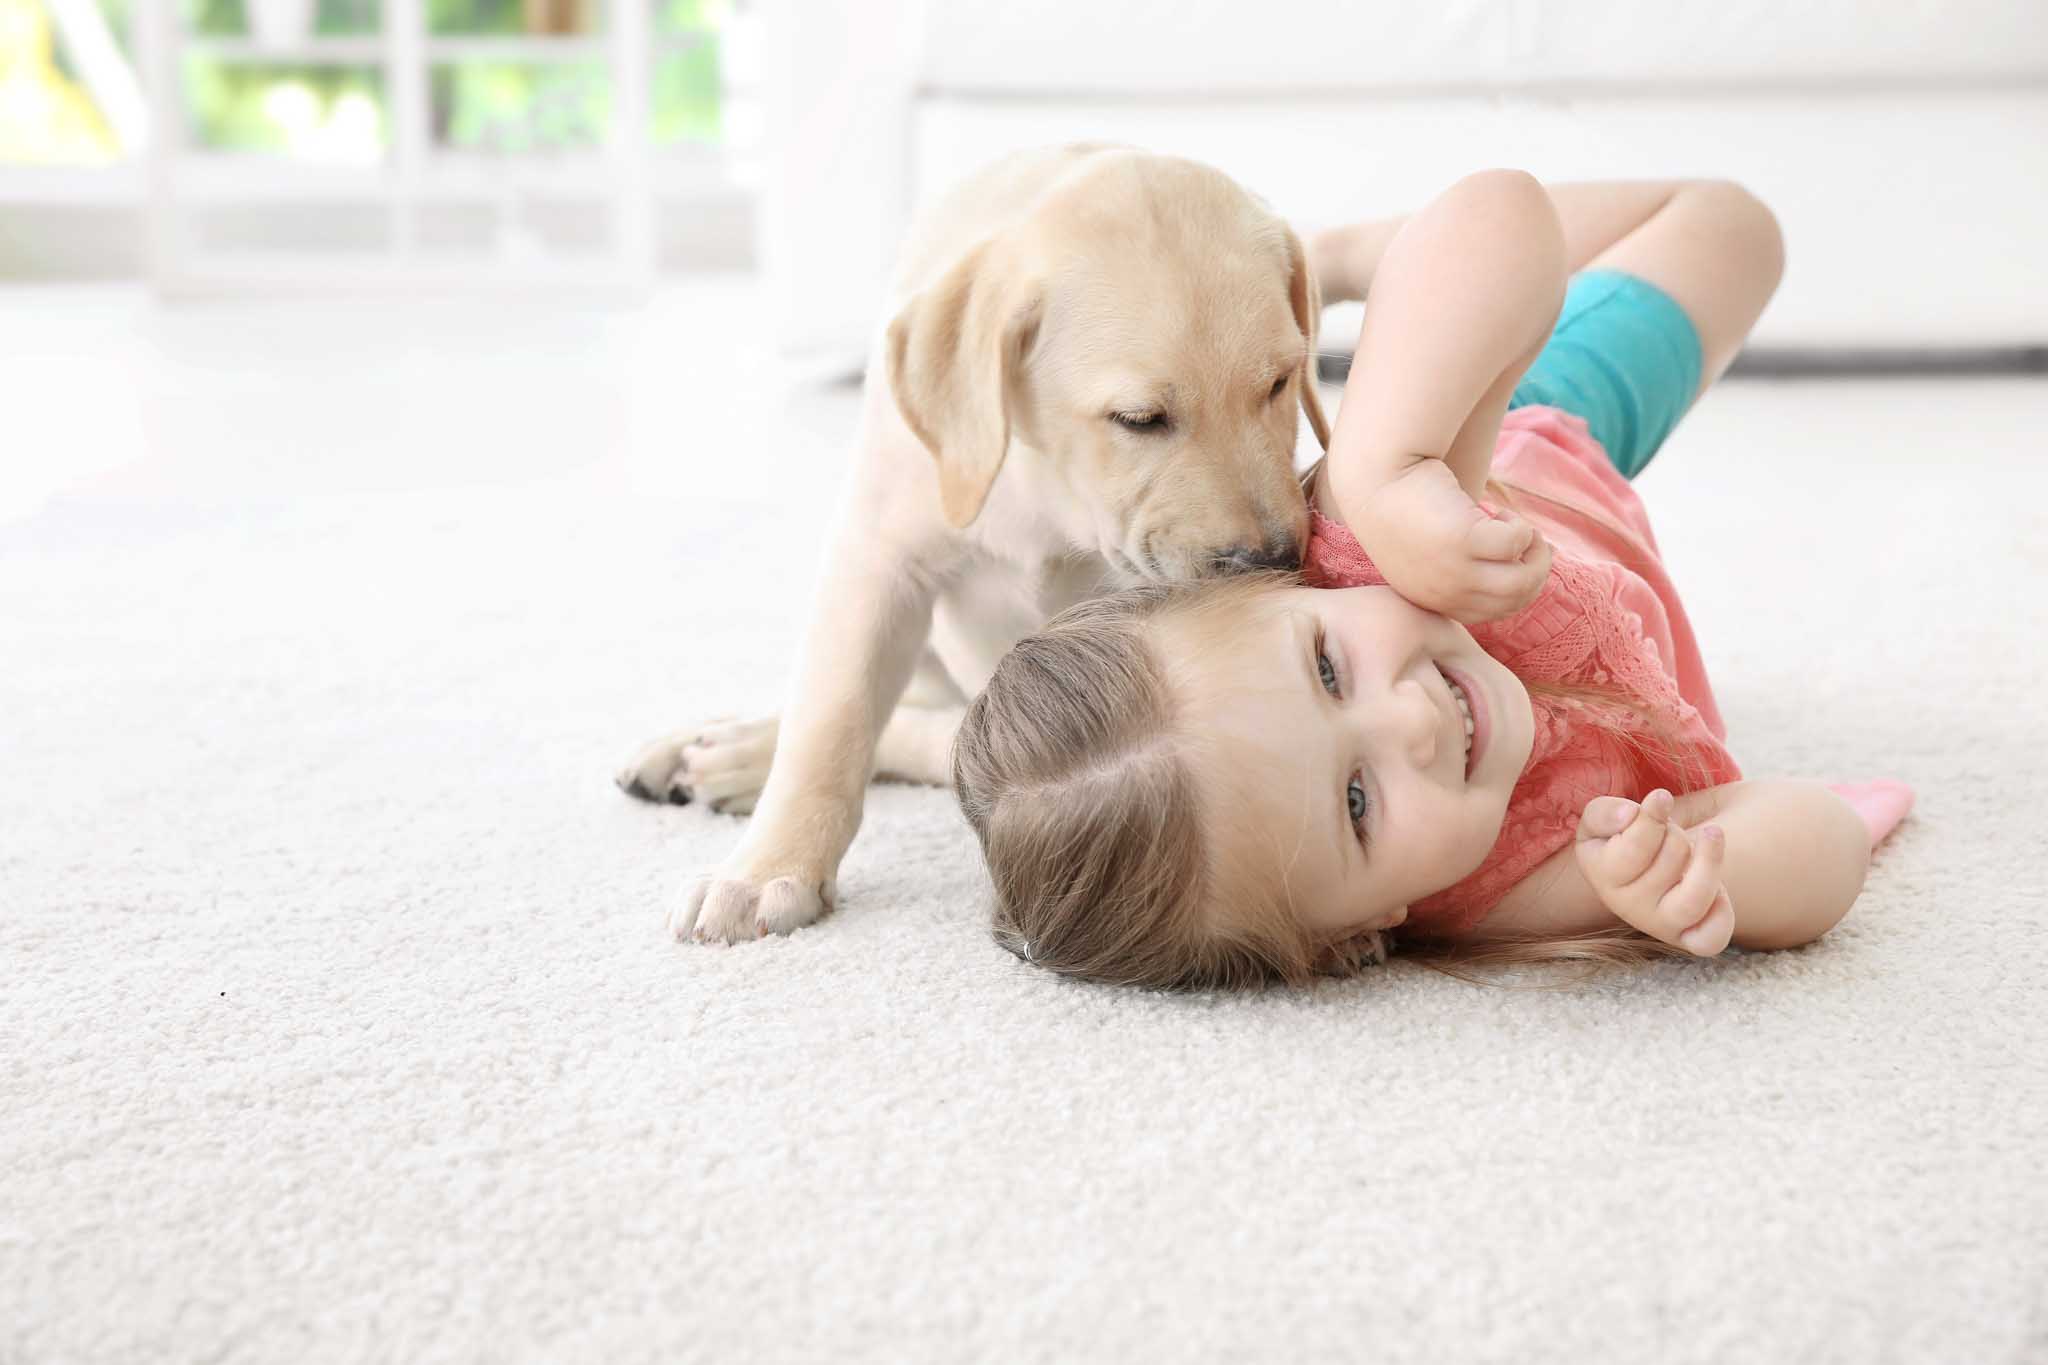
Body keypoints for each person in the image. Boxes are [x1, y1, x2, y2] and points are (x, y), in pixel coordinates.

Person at [951, 171, 1915, 990]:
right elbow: (1825, 840)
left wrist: (1386, 466)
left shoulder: (1368, 547)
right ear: (1357, 937)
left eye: (1329, 669)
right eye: (1358, 803)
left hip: (1527, 444)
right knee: (1736, 227)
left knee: (1730, 226)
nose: (1411, 721)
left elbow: (1501, 214)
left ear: (1291, 592)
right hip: (1608, 516)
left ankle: (1341, 264)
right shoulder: (1516, 884)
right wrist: (1703, 877)